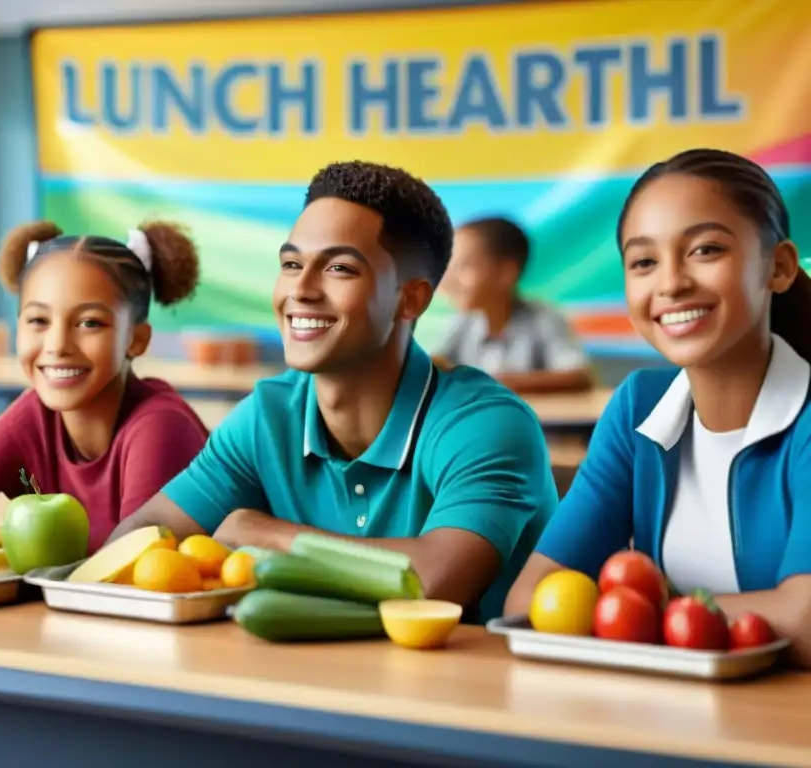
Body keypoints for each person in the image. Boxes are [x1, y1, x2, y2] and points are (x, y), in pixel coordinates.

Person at [106, 161, 558, 623]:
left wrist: (271, 536)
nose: (300, 289)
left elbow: (434, 582)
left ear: (412, 299)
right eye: (291, 264)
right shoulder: (268, 415)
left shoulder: (487, 424)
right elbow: (141, 535)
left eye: (340, 268)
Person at [503, 148, 811, 666]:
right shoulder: (638, 407)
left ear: (777, 268)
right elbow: (533, 597)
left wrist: (636, 610)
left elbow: (805, 621)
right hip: (655, 717)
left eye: (705, 250)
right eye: (644, 261)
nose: (670, 283)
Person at [0, 220, 210, 554]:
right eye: (39, 321)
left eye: (89, 323)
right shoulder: (32, 414)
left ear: (136, 339)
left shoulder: (161, 426)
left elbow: (134, 564)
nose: (57, 345)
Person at [433, 217, 593, 393]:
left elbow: (578, 376)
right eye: (448, 267)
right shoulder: (464, 322)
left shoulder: (544, 318)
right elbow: (438, 365)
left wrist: (488, 382)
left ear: (506, 273)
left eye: (465, 267)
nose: (448, 281)